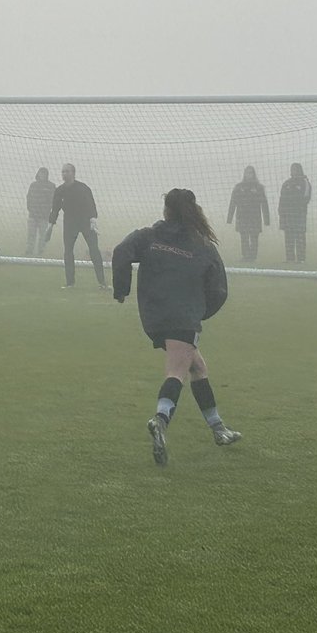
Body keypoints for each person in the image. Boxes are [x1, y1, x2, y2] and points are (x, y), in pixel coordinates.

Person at [111, 188, 241, 466]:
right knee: (176, 372)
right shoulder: (203, 246)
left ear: (166, 211)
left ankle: (219, 430)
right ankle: (160, 421)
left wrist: (121, 288)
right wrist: (200, 314)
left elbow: (121, 251)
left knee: (198, 367)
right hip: (183, 319)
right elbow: (219, 289)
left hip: (153, 317)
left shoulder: (148, 237)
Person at [48, 163, 108, 289]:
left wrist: (93, 219)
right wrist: (50, 225)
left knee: (94, 250)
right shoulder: (60, 191)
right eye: (63, 171)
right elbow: (55, 209)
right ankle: (70, 283)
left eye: (67, 171)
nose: (65, 174)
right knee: (68, 252)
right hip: (70, 224)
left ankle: (102, 283)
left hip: (86, 222)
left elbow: (91, 204)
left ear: (73, 173)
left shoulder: (83, 188)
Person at [227, 166, 270, 261]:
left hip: (255, 217)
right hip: (242, 217)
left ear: (254, 174)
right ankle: (245, 256)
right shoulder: (238, 187)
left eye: (250, 173)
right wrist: (229, 218)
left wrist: (267, 219)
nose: (249, 175)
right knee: (244, 237)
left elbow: (264, 203)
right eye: (247, 172)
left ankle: (253, 257)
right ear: (244, 174)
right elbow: (233, 202)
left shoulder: (259, 188)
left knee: (254, 237)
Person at [277, 162, 312, 263]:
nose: (293, 171)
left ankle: (301, 259)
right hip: (287, 216)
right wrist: (281, 211)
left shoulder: (305, 182)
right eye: (292, 169)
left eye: (295, 169)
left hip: (299, 215)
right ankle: (290, 259)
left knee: (300, 236)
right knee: (289, 238)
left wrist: (296, 207)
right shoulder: (286, 183)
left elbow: (306, 198)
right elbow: (281, 198)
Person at [25, 167, 57, 256]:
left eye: (44, 173)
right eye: (41, 173)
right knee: (31, 235)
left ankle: (41, 253)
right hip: (33, 216)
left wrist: (48, 211)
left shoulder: (51, 186)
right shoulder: (33, 185)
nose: (42, 175)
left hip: (44, 216)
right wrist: (30, 208)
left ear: (47, 175)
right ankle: (29, 252)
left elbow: (54, 200)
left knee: (43, 236)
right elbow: (29, 197)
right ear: (38, 174)